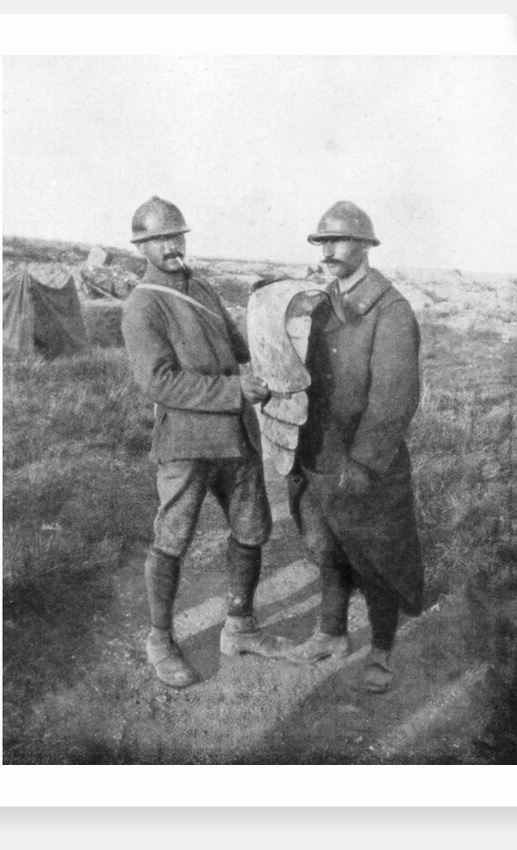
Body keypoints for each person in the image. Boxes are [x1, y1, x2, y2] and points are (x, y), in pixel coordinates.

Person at [122, 196, 292, 688]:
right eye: (161, 239)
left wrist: (267, 306)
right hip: (187, 444)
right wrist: (232, 390)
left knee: (251, 530)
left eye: (178, 236)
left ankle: (239, 626)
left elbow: (240, 350)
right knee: (173, 539)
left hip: (236, 437)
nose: (173, 246)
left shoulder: (203, 289)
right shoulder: (142, 304)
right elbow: (159, 383)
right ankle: (160, 639)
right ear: (143, 247)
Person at [285, 201, 424, 693]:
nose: (328, 251)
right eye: (322, 242)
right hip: (317, 453)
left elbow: (394, 399)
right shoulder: (320, 303)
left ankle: (382, 648)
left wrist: (363, 463)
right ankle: (331, 633)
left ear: (365, 246)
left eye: (338, 241)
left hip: (364, 462)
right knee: (325, 548)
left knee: (375, 556)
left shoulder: (391, 310)